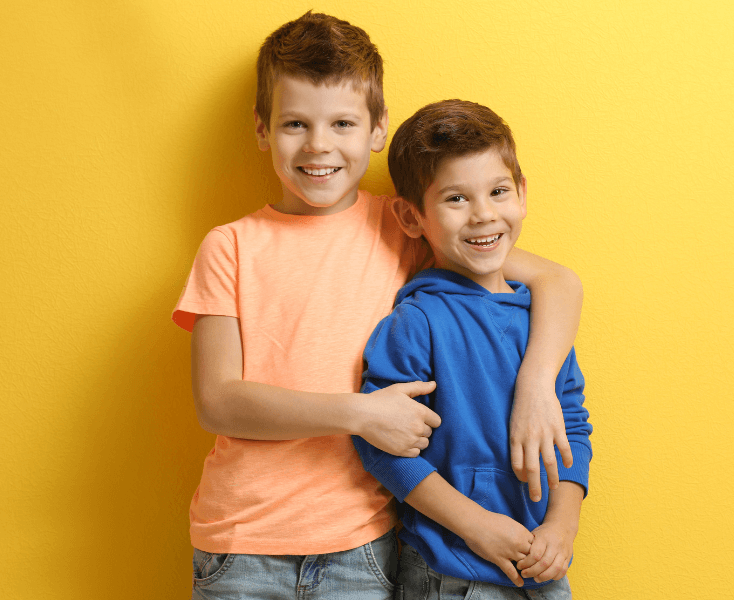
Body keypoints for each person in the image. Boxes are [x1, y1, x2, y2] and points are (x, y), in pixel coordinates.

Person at [172, 12, 583, 600]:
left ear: (376, 128)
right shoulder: (230, 246)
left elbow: (559, 283)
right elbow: (218, 402)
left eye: (342, 122)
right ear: (262, 129)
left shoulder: (405, 224)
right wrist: (359, 414)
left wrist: (538, 387)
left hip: (361, 546)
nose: (319, 146)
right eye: (295, 124)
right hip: (240, 541)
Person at [352, 100, 592, 599]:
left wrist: (562, 529)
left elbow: (571, 426)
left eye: (498, 192)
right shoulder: (416, 322)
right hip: (449, 574)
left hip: (542, 568)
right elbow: (382, 447)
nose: (484, 215)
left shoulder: (543, 322)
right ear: (412, 216)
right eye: (456, 199)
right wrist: (475, 525)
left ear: (522, 195)